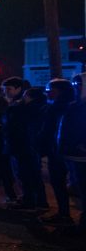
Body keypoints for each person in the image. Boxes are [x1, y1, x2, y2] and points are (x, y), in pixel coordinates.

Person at [39, 79, 75, 226]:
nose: (48, 93)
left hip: (58, 151)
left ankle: (64, 215)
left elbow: (48, 131)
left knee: (58, 183)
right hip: (69, 151)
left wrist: (41, 145)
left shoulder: (57, 107)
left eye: (50, 90)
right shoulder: (73, 105)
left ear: (59, 91)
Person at [57, 73, 86, 235]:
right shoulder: (76, 104)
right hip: (74, 156)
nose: (77, 88)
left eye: (80, 85)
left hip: (82, 157)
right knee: (80, 190)